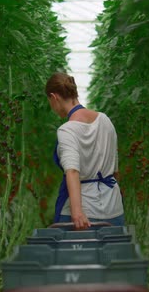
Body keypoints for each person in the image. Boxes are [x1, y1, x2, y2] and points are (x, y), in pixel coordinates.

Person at [45, 72, 124, 229]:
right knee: (113, 252)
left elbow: (72, 171)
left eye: (49, 102)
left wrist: (77, 212)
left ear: (54, 97)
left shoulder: (67, 130)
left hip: (83, 212)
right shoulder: (105, 120)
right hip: (114, 208)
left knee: (76, 253)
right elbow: (115, 171)